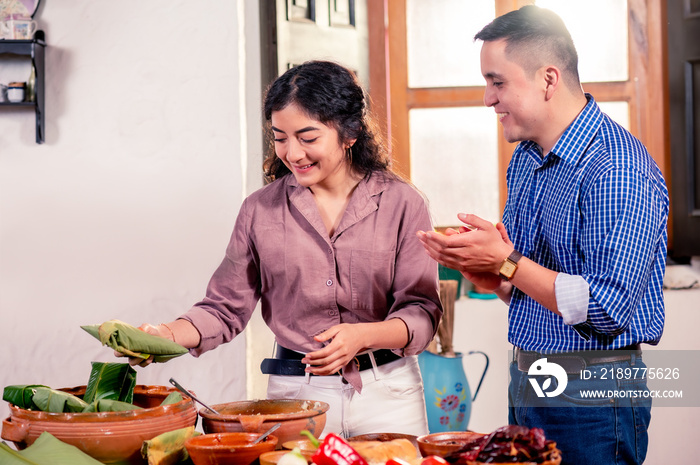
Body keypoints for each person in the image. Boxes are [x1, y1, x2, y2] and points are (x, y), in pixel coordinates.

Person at [119, 60, 442, 438]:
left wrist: (363, 336)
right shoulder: (260, 210)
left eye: (308, 138)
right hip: (294, 397)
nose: (293, 153)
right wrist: (166, 334)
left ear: (349, 133)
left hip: (388, 393)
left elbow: (421, 311)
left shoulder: (402, 203)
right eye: (280, 137)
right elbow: (224, 308)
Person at [417, 6, 668, 465]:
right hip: (530, 380)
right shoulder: (527, 160)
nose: (487, 99)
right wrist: (494, 277)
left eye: (498, 82)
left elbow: (605, 309)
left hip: (593, 394)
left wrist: (507, 259)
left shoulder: (616, 168)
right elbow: (537, 289)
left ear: (548, 79)